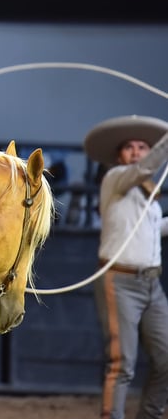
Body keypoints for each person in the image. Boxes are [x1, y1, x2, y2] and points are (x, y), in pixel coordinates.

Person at [84, 115, 168, 419]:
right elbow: (144, 170)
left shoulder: (148, 198)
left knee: (166, 359)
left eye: (142, 147)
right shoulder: (116, 179)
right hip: (120, 281)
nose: (136, 151)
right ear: (119, 156)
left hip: (151, 285)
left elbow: (152, 228)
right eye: (129, 147)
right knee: (122, 362)